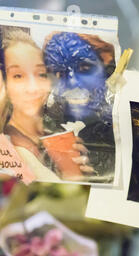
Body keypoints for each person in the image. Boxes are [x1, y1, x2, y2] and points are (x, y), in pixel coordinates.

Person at [0, 27, 91, 181]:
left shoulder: (52, 129)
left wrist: (74, 178)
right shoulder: (12, 149)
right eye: (18, 76)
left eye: (40, 74)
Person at [43, 32, 116, 182]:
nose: (72, 82)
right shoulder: (44, 131)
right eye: (60, 72)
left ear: (107, 71)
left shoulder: (126, 129)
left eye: (85, 68)